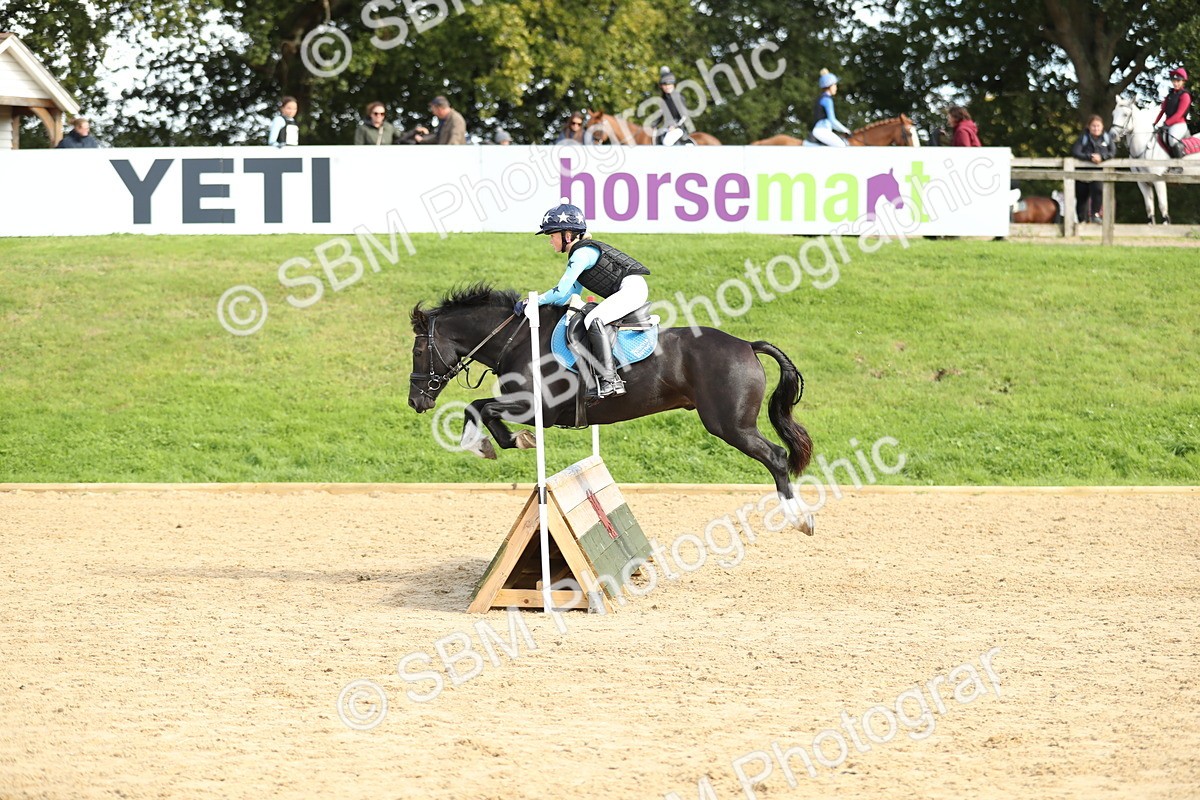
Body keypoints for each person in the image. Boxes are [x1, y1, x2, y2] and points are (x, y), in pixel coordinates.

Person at [518, 199, 651, 401]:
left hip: (632, 288)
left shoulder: (581, 254)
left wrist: (533, 301)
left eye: (552, 235)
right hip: (630, 287)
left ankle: (609, 379)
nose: (550, 241)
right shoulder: (580, 253)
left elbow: (559, 289)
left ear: (568, 235)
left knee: (592, 319)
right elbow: (567, 294)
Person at [1070, 114, 1116, 223]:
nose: (1096, 128)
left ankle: (1095, 215)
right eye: (1093, 126)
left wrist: (1102, 157)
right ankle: (1082, 220)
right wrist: (1090, 157)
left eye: (1098, 126)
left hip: (1099, 172)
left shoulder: (1107, 138)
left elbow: (1112, 152)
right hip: (1082, 173)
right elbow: (1076, 152)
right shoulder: (1083, 138)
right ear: (1089, 127)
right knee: (1082, 197)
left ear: (1102, 127)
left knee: (1098, 191)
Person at [1153, 67, 1192, 158]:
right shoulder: (1169, 95)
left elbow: (1179, 114)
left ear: (1183, 81)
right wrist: (1155, 123)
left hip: (1179, 124)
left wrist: (1166, 123)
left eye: (1178, 81)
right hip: (1168, 124)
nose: (1175, 83)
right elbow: (1162, 111)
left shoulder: (1185, 96)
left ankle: (1179, 165)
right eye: (1174, 81)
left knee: (1172, 140)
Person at [811, 69, 851, 147]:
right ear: (829, 86)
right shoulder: (827, 99)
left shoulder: (822, 98)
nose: (836, 87)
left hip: (822, 130)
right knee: (842, 145)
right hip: (822, 131)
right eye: (835, 85)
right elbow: (832, 120)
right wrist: (846, 130)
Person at [657, 66, 688, 144]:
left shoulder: (679, 97)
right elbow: (660, 117)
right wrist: (651, 126)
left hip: (678, 128)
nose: (667, 87)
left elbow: (684, 116)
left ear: (673, 85)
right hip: (666, 128)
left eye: (670, 84)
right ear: (661, 86)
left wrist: (675, 126)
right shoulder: (663, 100)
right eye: (665, 84)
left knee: (667, 142)